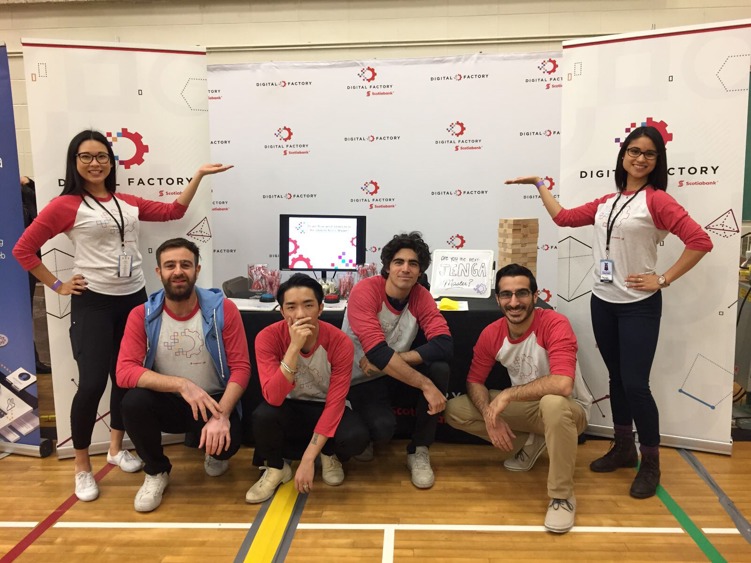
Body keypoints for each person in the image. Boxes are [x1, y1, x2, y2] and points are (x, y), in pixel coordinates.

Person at [13, 130, 232, 502]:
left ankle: (115, 448)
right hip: (94, 302)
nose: (95, 163)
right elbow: (24, 249)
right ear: (75, 162)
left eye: (102, 156)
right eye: (86, 156)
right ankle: (82, 467)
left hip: (134, 300)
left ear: (111, 162)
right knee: (93, 383)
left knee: (128, 379)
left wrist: (197, 176)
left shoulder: (124, 203)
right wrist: (58, 285)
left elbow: (172, 212)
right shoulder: (65, 205)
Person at [505, 125, 713, 499]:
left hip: (638, 307)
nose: (639, 158)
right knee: (617, 380)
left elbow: (700, 241)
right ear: (623, 155)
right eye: (634, 151)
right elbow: (564, 218)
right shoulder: (607, 202)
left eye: (649, 153)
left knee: (636, 385)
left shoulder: (658, 201)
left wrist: (662, 278)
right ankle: (622, 447)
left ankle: (650, 462)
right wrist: (539, 185)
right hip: (603, 302)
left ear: (656, 161)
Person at [445, 264, 590, 533]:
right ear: (497, 298)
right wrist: (490, 414)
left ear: (535, 297)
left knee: (552, 402)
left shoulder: (554, 323)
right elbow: (474, 381)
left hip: (570, 410)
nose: (514, 302)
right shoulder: (492, 332)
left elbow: (562, 384)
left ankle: (562, 497)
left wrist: (509, 395)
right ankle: (533, 442)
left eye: (522, 294)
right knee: (455, 409)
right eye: (506, 295)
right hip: (529, 409)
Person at [116, 238, 250, 512]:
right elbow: (124, 372)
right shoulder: (141, 314)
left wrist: (222, 414)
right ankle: (156, 472)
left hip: (213, 402)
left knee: (225, 448)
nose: (178, 271)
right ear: (159, 272)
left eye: (185, 265)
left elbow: (241, 368)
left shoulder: (223, 309)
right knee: (133, 402)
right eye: (170, 265)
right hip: (169, 401)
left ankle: (214, 452)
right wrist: (180, 384)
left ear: (197, 270)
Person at [341, 232, 452, 489]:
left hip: (392, 371)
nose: (406, 268)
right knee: (381, 429)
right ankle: (365, 428)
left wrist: (400, 357)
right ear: (388, 266)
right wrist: (426, 386)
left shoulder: (421, 295)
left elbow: (444, 344)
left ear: (420, 270)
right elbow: (378, 353)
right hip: (361, 377)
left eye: (413, 264)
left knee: (440, 368)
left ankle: (419, 450)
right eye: (399, 262)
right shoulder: (365, 291)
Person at [247, 273, 369, 503]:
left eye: (308, 305)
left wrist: (307, 460)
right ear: (282, 312)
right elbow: (273, 397)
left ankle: (328, 453)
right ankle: (276, 467)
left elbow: (335, 403)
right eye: (291, 307)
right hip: (289, 405)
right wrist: (293, 348)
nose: (300, 314)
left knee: (356, 437)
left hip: (324, 406)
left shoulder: (340, 341)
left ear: (321, 308)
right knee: (263, 415)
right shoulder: (267, 337)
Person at [20, 175, 51, 374]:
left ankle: (29, 360)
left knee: (23, 312)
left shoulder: (21, 189)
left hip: (20, 262)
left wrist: (28, 183)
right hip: (15, 256)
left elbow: (35, 212)